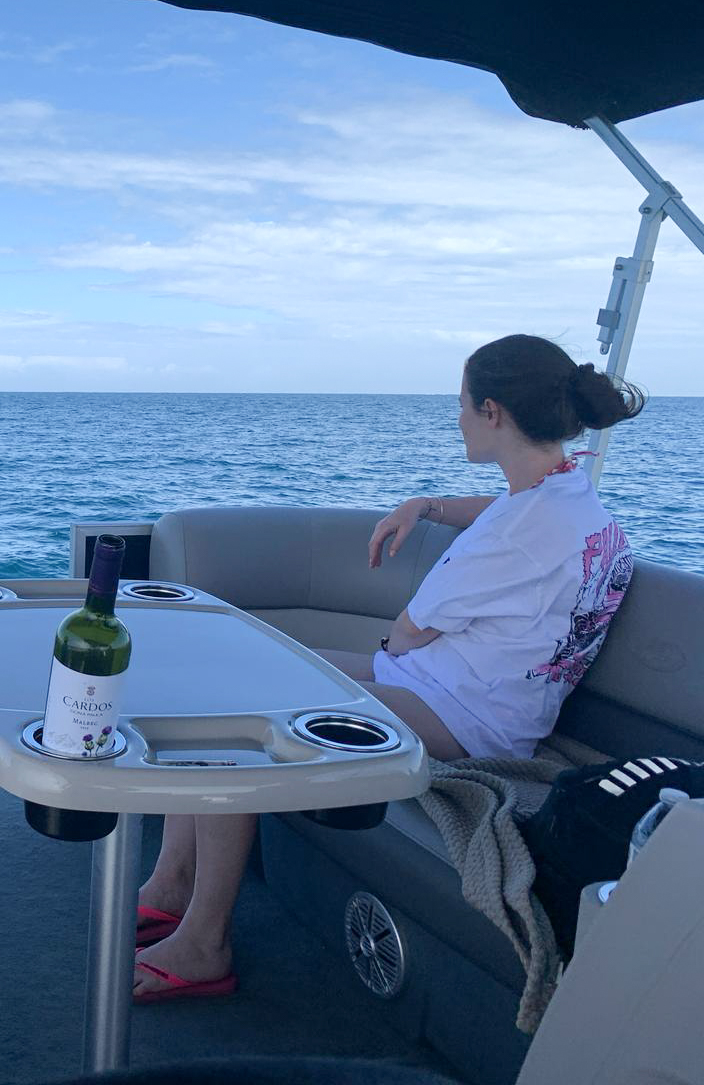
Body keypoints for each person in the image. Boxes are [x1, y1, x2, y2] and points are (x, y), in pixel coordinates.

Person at [132, 333, 643, 1001]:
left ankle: (205, 942)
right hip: (458, 692)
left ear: (492, 412)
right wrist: (427, 506)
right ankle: (171, 883)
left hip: (464, 720)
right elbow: (507, 509)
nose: (457, 418)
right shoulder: (572, 497)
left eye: (462, 404)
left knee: (240, 709)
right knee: (233, 666)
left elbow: (404, 635)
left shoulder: (513, 537)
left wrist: (398, 641)